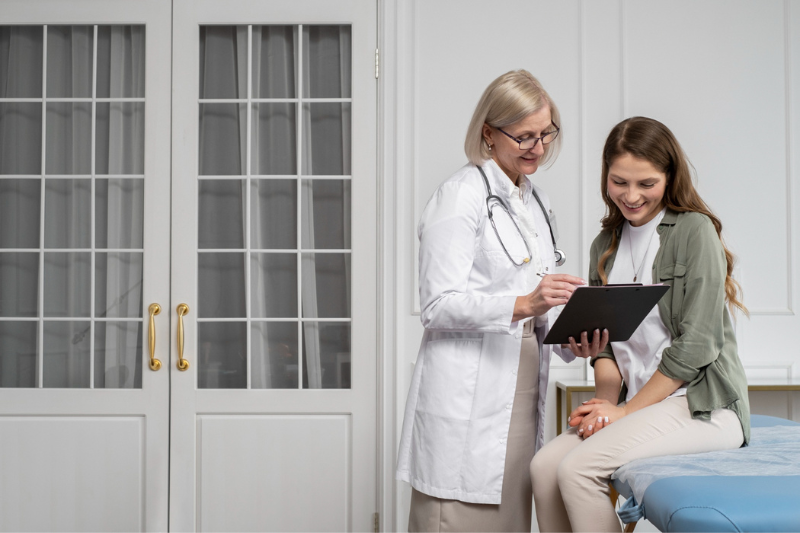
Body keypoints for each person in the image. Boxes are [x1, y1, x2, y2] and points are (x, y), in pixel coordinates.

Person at [395, 69, 608, 532]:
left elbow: (537, 304)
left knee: (508, 517)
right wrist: (525, 304)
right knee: (459, 516)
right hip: (468, 394)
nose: (538, 146)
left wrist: (574, 339)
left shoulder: (535, 201)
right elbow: (437, 305)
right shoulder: (459, 197)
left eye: (546, 133)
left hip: (520, 384)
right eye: (524, 136)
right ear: (489, 133)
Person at [531, 116, 751, 533]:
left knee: (577, 469)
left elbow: (699, 344)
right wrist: (604, 407)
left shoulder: (693, 231)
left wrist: (625, 411)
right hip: (640, 406)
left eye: (646, 184)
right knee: (544, 467)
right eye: (620, 182)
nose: (631, 196)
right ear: (606, 177)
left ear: (669, 178)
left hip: (702, 406)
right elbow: (609, 348)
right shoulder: (606, 244)